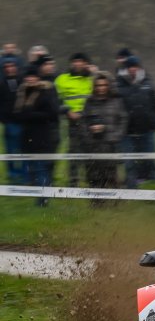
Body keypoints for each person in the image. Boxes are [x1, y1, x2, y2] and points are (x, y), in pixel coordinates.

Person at [12, 66, 60, 206]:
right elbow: (17, 114)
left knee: (41, 167)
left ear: (38, 78)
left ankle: (43, 199)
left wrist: (31, 115)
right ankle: (41, 195)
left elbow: (52, 114)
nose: (30, 79)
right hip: (27, 136)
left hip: (42, 135)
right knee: (32, 169)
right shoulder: (21, 93)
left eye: (33, 76)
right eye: (28, 77)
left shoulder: (46, 92)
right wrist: (24, 116)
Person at [117, 56, 155, 187]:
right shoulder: (118, 84)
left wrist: (154, 123)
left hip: (147, 130)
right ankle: (131, 186)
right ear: (126, 69)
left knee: (150, 160)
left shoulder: (148, 82)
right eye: (130, 67)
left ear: (139, 67)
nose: (133, 69)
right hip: (127, 131)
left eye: (135, 66)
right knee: (129, 162)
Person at [82, 72, 128, 194]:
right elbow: (83, 121)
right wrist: (89, 134)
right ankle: (97, 201)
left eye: (104, 85)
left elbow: (123, 119)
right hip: (93, 145)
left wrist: (116, 135)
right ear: (94, 86)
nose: (101, 88)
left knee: (112, 176)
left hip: (111, 145)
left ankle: (117, 200)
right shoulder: (89, 102)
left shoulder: (116, 101)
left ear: (108, 85)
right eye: (98, 85)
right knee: (94, 177)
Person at [55, 53, 94, 187]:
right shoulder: (62, 79)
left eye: (81, 61)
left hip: (90, 120)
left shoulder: (92, 78)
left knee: (91, 151)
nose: (77, 64)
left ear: (86, 64)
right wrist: (67, 111)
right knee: (74, 151)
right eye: (75, 61)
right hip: (73, 120)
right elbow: (55, 99)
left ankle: (92, 180)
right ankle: (73, 182)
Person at [0, 59, 25, 184]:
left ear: (16, 67)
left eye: (12, 66)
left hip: (24, 122)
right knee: (11, 150)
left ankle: (24, 175)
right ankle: (13, 175)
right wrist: (3, 119)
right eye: (7, 66)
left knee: (24, 149)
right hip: (9, 123)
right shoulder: (1, 84)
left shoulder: (23, 82)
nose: (9, 69)